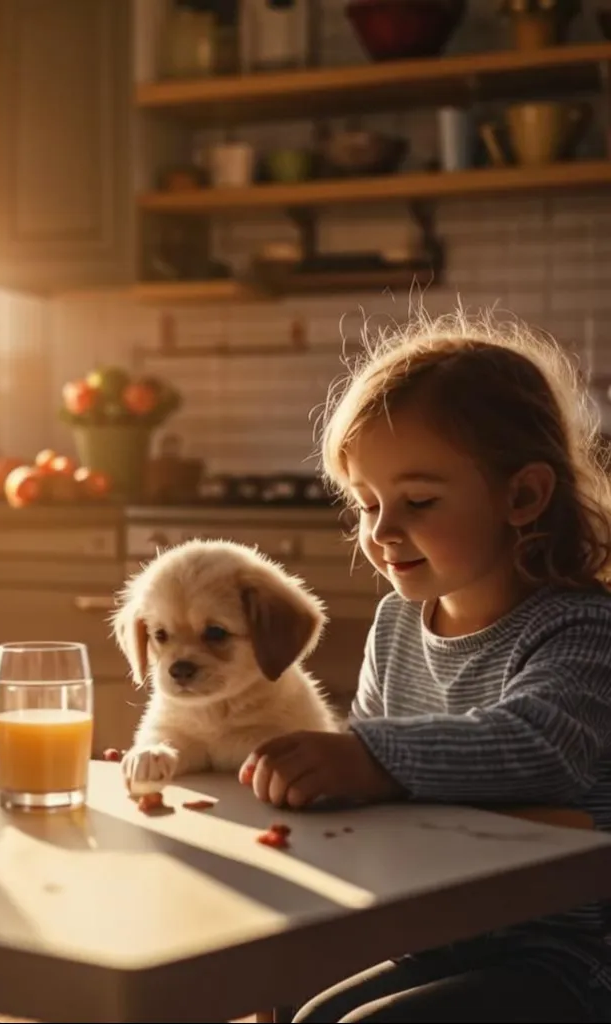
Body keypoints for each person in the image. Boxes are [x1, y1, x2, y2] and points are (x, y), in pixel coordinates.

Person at [241, 311, 611, 1023]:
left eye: (416, 502)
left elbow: (541, 748)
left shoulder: (582, 628)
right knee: (305, 1011)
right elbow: (382, 797)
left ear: (524, 496)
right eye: (366, 504)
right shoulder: (397, 624)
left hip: (572, 953)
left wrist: (370, 761)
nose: (380, 533)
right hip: (441, 932)